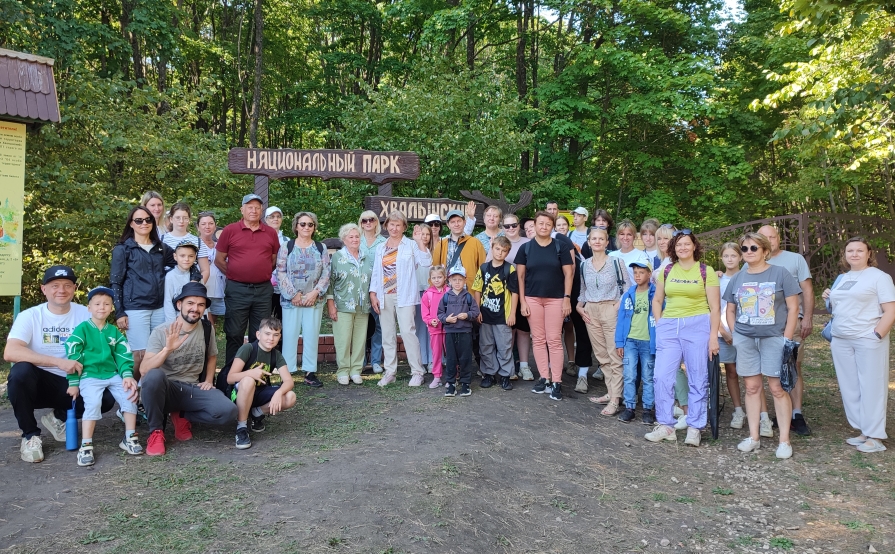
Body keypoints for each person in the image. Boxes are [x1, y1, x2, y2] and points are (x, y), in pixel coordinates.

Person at [5, 265, 115, 463]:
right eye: (55, 285)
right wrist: (58, 362)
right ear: (43, 289)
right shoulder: (30, 316)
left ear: (74, 288)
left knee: (106, 397)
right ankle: (30, 436)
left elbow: (106, 346)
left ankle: (58, 418)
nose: (61, 290)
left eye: (67, 285)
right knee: (20, 372)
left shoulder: (87, 314)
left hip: (75, 382)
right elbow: (11, 352)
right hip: (38, 383)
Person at [726, 232, 801, 459]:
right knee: (751, 388)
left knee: (777, 389)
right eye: (745, 249)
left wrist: (786, 338)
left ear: (765, 251)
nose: (748, 252)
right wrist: (736, 333)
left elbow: (793, 308)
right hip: (746, 339)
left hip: (773, 338)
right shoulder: (737, 278)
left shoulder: (780, 273)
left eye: (753, 248)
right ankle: (754, 437)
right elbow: (730, 309)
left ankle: (784, 441)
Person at [140, 282, 237, 456]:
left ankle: (182, 414)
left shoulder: (207, 328)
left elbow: (212, 356)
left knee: (228, 412)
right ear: (179, 305)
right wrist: (167, 349)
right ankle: (156, 432)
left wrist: (208, 380)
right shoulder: (161, 331)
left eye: (200, 305)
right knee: (153, 376)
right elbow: (144, 370)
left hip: (193, 388)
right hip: (167, 388)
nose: (195, 309)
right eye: (190, 303)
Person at [646, 230, 720, 447]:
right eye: (679, 245)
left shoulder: (706, 271)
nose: (683, 248)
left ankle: (695, 427)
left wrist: (713, 337)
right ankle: (666, 425)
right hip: (669, 326)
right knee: (661, 377)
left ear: (694, 246)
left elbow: (715, 308)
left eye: (687, 244)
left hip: (697, 326)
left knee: (697, 378)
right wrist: (660, 325)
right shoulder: (667, 271)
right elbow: (657, 300)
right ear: (673, 249)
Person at [823, 236, 895, 453]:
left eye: (859, 250)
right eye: (850, 250)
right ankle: (863, 429)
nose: (854, 254)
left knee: (872, 386)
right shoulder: (843, 278)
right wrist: (828, 296)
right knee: (850, 386)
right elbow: (838, 308)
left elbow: (890, 310)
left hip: (867, 338)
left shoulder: (879, 278)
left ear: (869, 254)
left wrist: (877, 334)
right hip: (842, 339)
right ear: (845, 255)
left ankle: (875, 436)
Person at [64, 287, 142, 466]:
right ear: (89, 308)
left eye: (107, 304)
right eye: (97, 304)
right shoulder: (82, 329)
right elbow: (73, 356)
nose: (102, 307)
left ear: (112, 308)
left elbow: (123, 355)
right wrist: (73, 382)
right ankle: (86, 445)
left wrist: (127, 375)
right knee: (93, 402)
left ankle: (130, 438)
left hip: (111, 374)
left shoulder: (113, 331)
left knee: (130, 394)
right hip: (89, 375)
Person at [756, 225, 814, 436]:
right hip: (763, 325)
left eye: (773, 236)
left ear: (778, 238)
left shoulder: (794, 259)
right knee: (768, 370)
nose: (769, 240)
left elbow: (807, 289)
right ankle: (776, 414)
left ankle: (796, 415)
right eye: (765, 237)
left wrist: (807, 316)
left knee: (794, 365)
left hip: (792, 321)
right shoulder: (753, 259)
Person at [110, 205, 176, 380]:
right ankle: (128, 396)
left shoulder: (161, 248)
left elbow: (183, 262)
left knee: (159, 353)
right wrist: (119, 312)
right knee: (140, 355)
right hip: (135, 308)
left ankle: (146, 396)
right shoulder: (123, 249)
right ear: (131, 224)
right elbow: (115, 282)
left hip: (160, 308)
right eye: (138, 220)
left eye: (148, 220)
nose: (144, 223)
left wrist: (194, 276)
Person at [215, 193, 281, 365]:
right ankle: (230, 374)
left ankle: (256, 373)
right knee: (234, 332)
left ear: (261, 210)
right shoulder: (230, 230)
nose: (253, 210)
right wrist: (236, 275)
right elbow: (219, 260)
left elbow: (273, 260)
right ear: (242, 209)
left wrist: (259, 272)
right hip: (237, 289)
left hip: (263, 290)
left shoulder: (270, 233)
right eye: (250, 207)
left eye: (257, 207)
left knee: (260, 333)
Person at [515, 211, 574, 401]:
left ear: (552, 226)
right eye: (540, 223)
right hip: (532, 298)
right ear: (535, 224)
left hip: (556, 299)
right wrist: (523, 301)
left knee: (554, 339)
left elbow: (569, 274)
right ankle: (544, 378)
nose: (543, 227)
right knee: (538, 339)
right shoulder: (526, 248)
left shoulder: (560, 247)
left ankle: (556, 381)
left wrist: (567, 298)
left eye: (548, 224)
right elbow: (521, 277)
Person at [369, 210, 432, 387]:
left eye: (398, 225)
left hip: (404, 296)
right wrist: (373, 294)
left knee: (407, 332)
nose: (394, 228)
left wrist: (420, 241)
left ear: (404, 227)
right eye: (391, 224)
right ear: (386, 226)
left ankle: (417, 372)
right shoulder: (381, 247)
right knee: (387, 335)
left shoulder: (411, 245)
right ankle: (390, 372)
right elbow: (376, 273)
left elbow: (426, 262)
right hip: (384, 296)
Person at [577, 228, 631, 413]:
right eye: (594, 239)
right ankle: (611, 391)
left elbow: (627, 289)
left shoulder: (617, 262)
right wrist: (579, 306)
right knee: (601, 356)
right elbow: (583, 290)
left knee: (614, 355)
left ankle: (616, 399)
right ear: (589, 242)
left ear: (607, 242)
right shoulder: (584, 265)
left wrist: (616, 307)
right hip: (591, 310)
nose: (597, 241)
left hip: (611, 308)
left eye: (601, 239)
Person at [719, 242, 769, 433]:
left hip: (747, 332)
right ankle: (739, 410)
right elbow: (714, 308)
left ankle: (763, 416)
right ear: (722, 258)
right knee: (731, 371)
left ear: (740, 257)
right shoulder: (718, 279)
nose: (730, 259)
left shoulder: (748, 277)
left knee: (753, 376)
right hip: (726, 333)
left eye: (734, 255)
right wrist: (724, 332)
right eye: (726, 256)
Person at [277, 211, 331, 387]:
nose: (306, 227)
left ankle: (310, 372)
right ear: (296, 226)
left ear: (314, 227)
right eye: (302, 224)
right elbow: (281, 271)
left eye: (310, 224)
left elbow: (326, 272)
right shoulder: (287, 246)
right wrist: (294, 294)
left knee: (311, 335)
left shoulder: (321, 247)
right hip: (291, 300)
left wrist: (315, 293)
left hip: (313, 300)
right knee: (290, 335)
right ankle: (288, 372)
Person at [225, 317, 297, 449]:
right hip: (240, 393)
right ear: (258, 335)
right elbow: (230, 378)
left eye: (275, 335)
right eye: (267, 334)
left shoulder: (276, 354)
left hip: (259, 392)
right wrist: (249, 373)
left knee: (290, 396)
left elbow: (289, 381)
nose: (271, 338)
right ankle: (241, 427)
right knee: (248, 381)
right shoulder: (248, 348)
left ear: (279, 337)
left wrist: (279, 392)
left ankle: (257, 412)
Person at [327, 223, 373, 385]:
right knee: (343, 340)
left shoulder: (366, 256)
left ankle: (356, 370)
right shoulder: (337, 257)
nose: (354, 239)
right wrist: (330, 304)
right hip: (342, 305)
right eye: (351, 237)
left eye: (357, 236)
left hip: (363, 305)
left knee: (360, 340)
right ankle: (343, 371)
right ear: (344, 239)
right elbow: (330, 282)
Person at [471, 236, 519, 391]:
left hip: (502, 316)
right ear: (492, 248)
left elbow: (515, 293)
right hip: (485, 315)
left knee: (504, 346)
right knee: (485, 346)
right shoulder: (484, 268)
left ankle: (505, 375)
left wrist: (512, 314)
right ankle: (489, 374)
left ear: (507, 252)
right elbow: (477, 289)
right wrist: (477, 310)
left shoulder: (509, 269)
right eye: (497, 249)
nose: (500, 253)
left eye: (504, 250)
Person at [615, 262, 656, 424]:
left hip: (648, 342)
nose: (638, 275)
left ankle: (647, 409)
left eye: (641, 272)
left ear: (649, 274)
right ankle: (629, 407)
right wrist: (620, 342)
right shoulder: (628, 294)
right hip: (630, 341)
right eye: (635, 272)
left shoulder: (655, 294)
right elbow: (621, 320)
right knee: (629, 375)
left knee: (648, 376)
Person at [439, 267, 480, 397]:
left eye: (460, 280)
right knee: (451, 359)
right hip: (450, 333)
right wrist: (446, 319)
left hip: (465, 332)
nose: (457, 282)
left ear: (465, 281)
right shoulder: (445, 297)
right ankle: (451, 384)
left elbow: (475, 312)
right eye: (454, 279)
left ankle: (465, 384)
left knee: (465, 359)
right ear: (449, 280)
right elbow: (440, 314)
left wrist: (467, 315)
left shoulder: (468, 297)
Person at [500, 214, 532, 379]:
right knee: (508, 330)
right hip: (504, 296)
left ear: (519, 226)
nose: (511, 229)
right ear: (502, 228)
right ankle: (509, 365)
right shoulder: (498, 244)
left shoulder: (528, 243)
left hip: (525, 292)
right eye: (507, 226)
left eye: (514, 225)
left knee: (523, 330)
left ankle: (524, 365)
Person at [359, 210, 387, 374]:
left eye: (371, 220)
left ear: (376, 222)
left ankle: (376, 361)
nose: (368, 223)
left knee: (378, 326)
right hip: (359, 291)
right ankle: (360, 361)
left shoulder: (383, 242)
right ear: (361, 223)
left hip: (378, 290)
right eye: (364, 220)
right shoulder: (356, 240)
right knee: (361, 326)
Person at [432, 210, 487, 291]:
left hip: (469, 291)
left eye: (459, 221)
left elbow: (483, 268)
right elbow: (435, 270)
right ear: (448, 225)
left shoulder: (475, 243)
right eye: (453, 222)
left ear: (464, 222)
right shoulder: (441, 244)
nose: (456, 224)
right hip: (447, 292)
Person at [161, 202, 210, 283]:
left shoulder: (197, 241)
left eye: (185, 218)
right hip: (166, 285)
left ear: (189, 220)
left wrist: (195, 287)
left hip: (189, 285)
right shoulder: (161, 240)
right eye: (178, 218)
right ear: (171, 219)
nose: (181, 221)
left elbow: (205, 270)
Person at [421, 266, 449, 388]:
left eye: (439, 277)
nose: (437, 280)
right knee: (436, 354)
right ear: (430, 279)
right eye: (434, 278)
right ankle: (437, 377)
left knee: (451, 353)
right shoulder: (428, 294)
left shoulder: (449, 292)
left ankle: (452, 377)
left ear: (445, 277)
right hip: (435, 330)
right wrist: (430, 320)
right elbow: (424, 313)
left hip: (449, 329)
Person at [197, 211, 226, 326]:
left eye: (210, 223)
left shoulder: (220, 245)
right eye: (203, 224)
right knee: (208, 325)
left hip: (218, 291)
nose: (207, 227)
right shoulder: (194, 244)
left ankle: (210, 344)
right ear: (198, 227)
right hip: (202, 291)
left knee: (212, 325)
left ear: (215, 226)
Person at [413, 223, 435, 372]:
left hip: (431, 293)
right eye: (422, 234)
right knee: (419, 328)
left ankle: (433, 360)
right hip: (416, 294)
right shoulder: (412, 250)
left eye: (427, 234)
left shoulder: (434, 251)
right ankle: (421, 360)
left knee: (432, 328)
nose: (424, 237)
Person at [163, 240, 201, 323]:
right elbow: (168, 301)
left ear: (195, 257)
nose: (186, 259)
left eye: (190, 256)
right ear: (175, 256)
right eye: (182, 256)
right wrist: (172, 323)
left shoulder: (197, 277)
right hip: (177, 320)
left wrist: (204, 319)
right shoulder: (170, 276)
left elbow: (202, 299)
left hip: (194, 319)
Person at [266, 206, 289, 322]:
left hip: (283, 288)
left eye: (278, 216)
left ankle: (281, 341)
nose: (275, 219)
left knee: (282, 320)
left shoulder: (287, 241)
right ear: (266, 220)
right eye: (272, 217)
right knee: (265, 320)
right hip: (265, 286)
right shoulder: (261, 237)